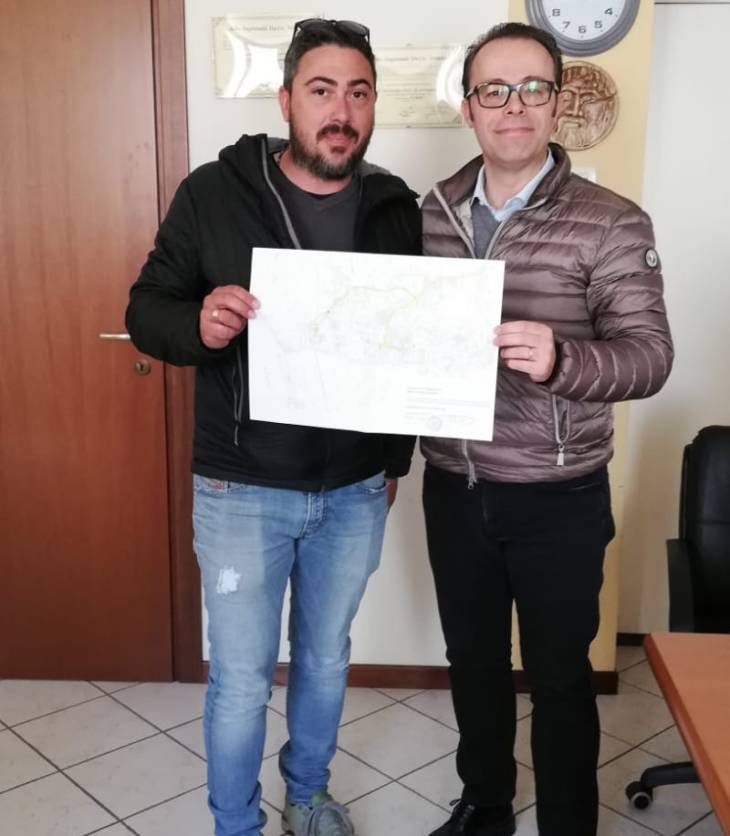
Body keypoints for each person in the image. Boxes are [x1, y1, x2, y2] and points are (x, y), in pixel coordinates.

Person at [125, 18, 419, 836]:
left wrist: (393, 462)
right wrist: (199, 324)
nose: (341, 111)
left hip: (354, 489)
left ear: (373, 105)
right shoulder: (214, 193)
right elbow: (146, 309)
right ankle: (237, 825)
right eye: (322, 90)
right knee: (244, 679)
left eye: (358, 93)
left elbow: (407, 350)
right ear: (287, 99)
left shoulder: (394, 205)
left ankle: (308, 796)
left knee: (324, 660)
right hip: (241, 487)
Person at [419, 22, 672, 836]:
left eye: (533, 87)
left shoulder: (612, 222)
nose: (513, 105)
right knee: (473, 662)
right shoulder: (431, 212)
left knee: (561, 674)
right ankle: (486, 804)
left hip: (558, 494)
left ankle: (567, 822)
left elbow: (650, 359)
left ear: (557, 104)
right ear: (469, 108)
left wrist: (564, 358)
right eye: (493, 90)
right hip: (454, 486)